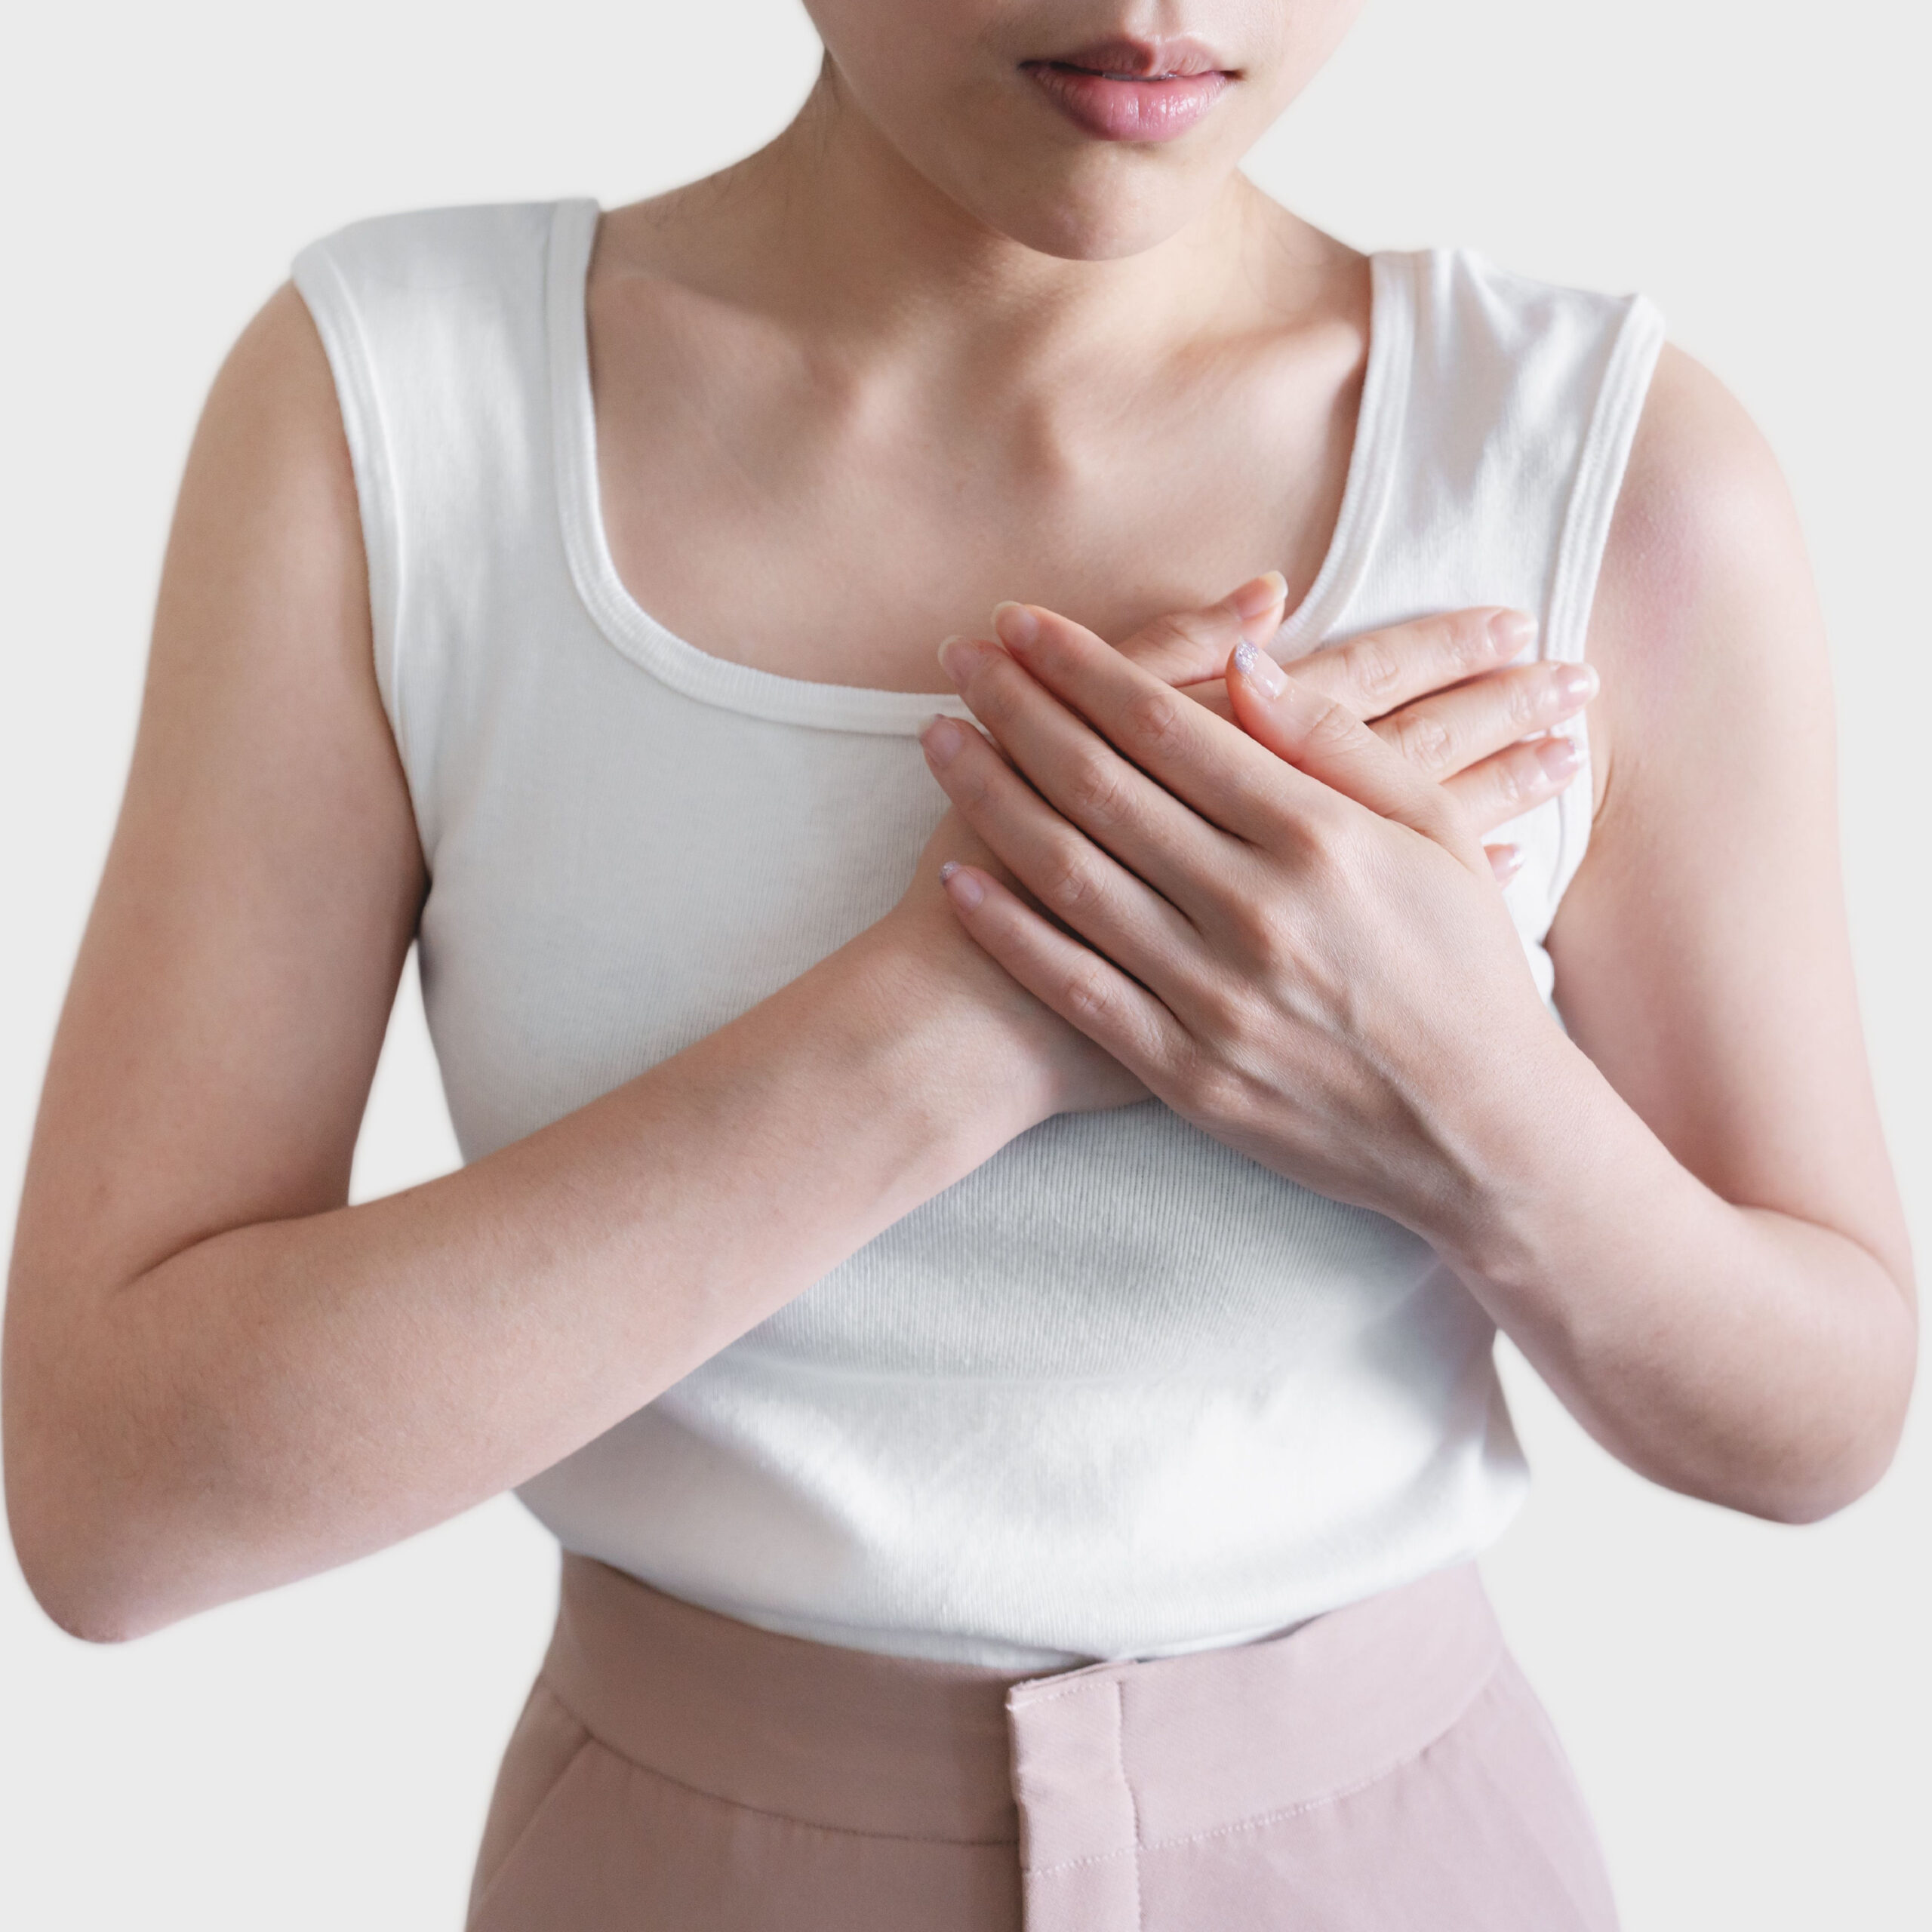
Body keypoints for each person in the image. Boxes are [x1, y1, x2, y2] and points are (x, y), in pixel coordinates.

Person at [4, 3, 1915, 1927]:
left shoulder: (1601, 467)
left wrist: (1475, 1101)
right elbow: (112, 1503)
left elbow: (1824, 1413)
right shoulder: (403, 409)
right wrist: (969, 1014)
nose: (1160, 5)